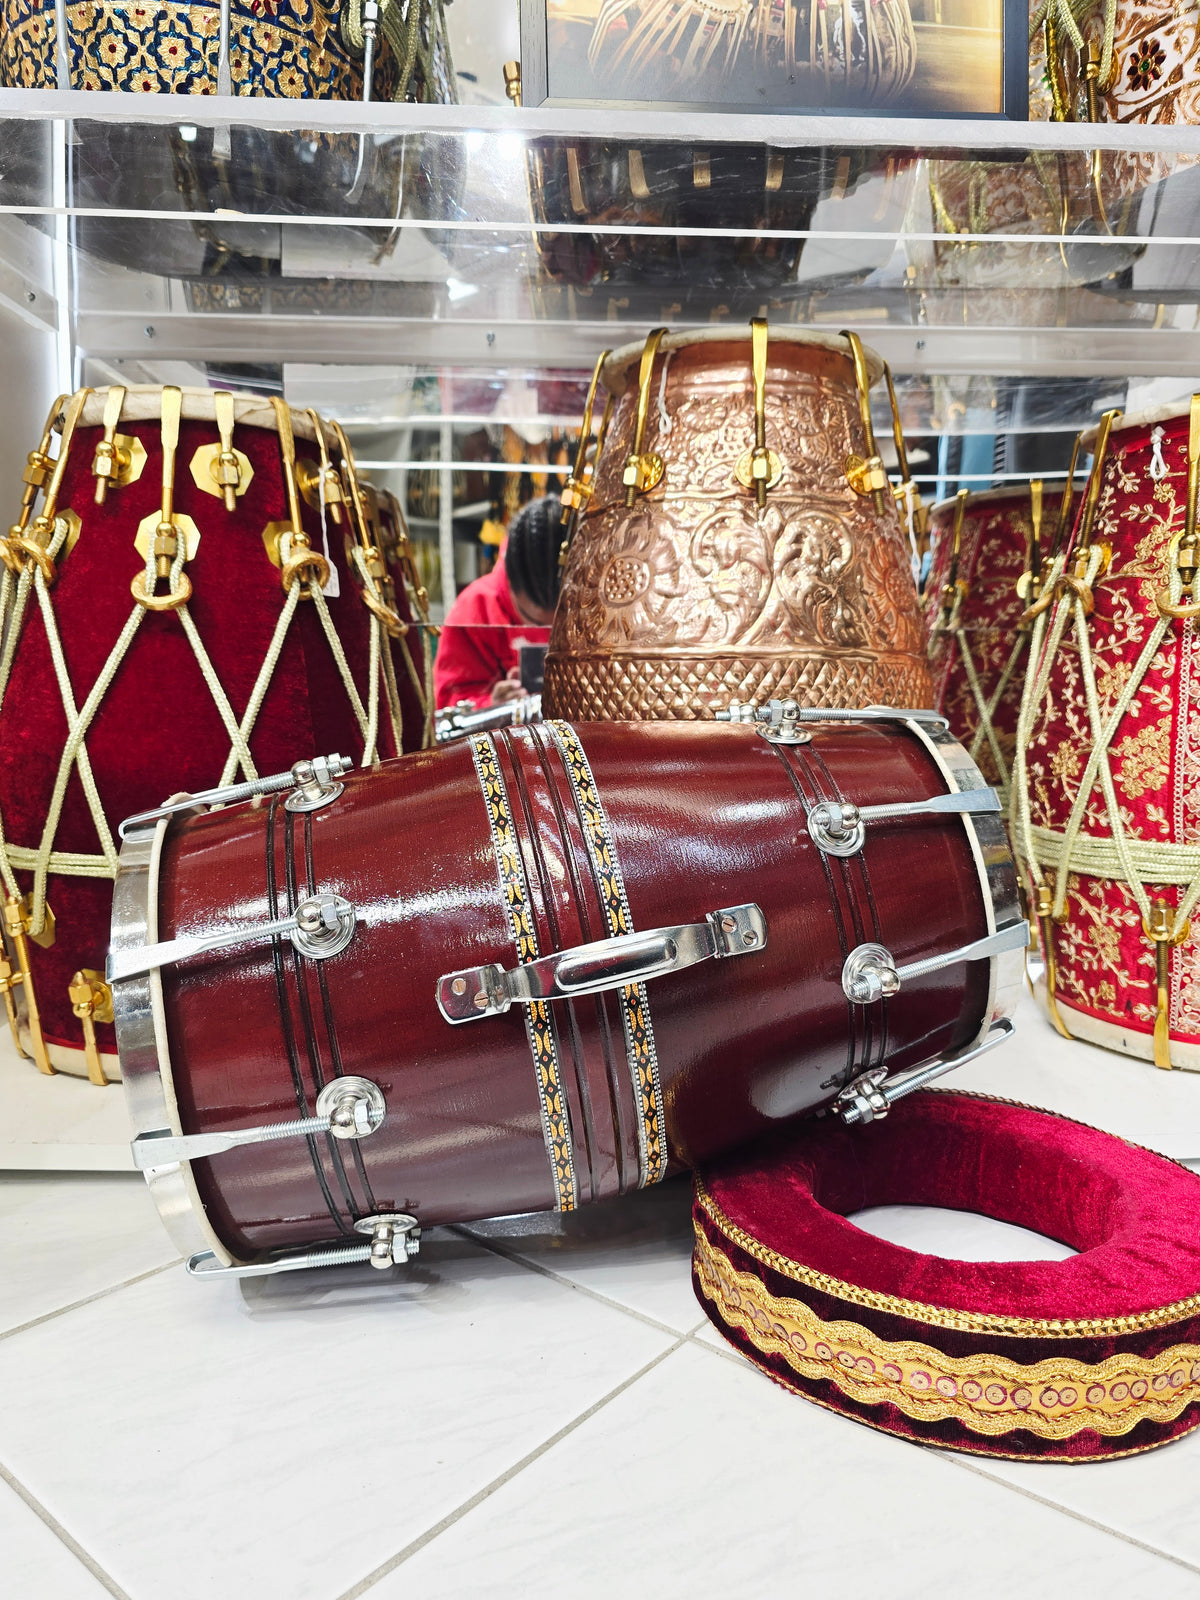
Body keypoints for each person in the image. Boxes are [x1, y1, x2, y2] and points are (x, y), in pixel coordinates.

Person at [434, 495, 564, 710]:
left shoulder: (608, 602)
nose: (547, 631)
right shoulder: (474, 611)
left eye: (563, 617)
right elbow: (448, 707)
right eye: (534, 621)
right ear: (510, 582)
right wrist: (492, 707)